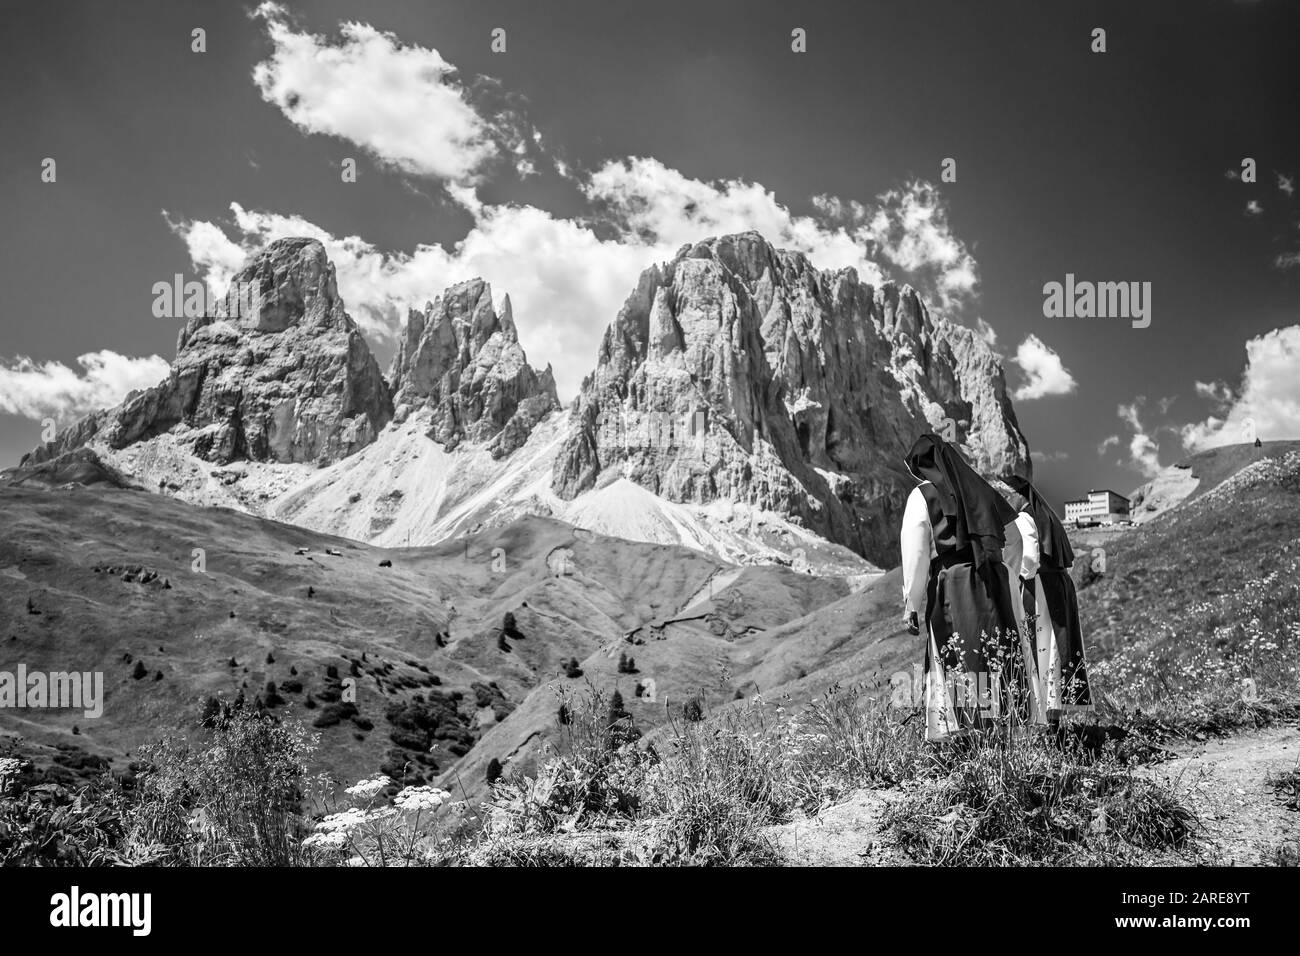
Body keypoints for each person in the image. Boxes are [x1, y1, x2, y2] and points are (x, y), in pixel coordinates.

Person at [900, 434, 1041, 740]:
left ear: (922, 467)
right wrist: (1007, 576)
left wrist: (911, 603)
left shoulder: (922, 496)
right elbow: (1015, 538)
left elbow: (916, 552)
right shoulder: (983, 492)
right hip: (996, 583)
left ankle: (962, 738)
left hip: (953, 582)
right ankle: (1003, 732)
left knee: (958, 654)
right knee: (998, 654)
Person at [1005, 475, 1094, 727]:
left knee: (1041, 649)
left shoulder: (1023, 518)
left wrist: (1015, 578)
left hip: (1041, 589)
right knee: (1057, 648)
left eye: (1007, 495)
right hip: (1059, 587)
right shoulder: (1044, 515)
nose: (1004, 501)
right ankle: (1054, 720)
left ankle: (1044, 722)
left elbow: (1030, 560)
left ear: (1019, 495)